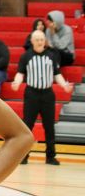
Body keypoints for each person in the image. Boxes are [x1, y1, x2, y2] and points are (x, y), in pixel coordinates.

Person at [12, 31, 73, 165]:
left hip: (47, 95)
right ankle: (24, 156)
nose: (40, 42)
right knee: (27, 126)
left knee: (49, 126)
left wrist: (64, 85)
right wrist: (16, 82)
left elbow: (57, 74)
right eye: (37, 39)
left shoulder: (52, 56)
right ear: (32, 41)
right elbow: (20, 73)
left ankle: (50, 156)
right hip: (31, 94)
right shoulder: (26, 56)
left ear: (44, 41)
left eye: (42, 39)